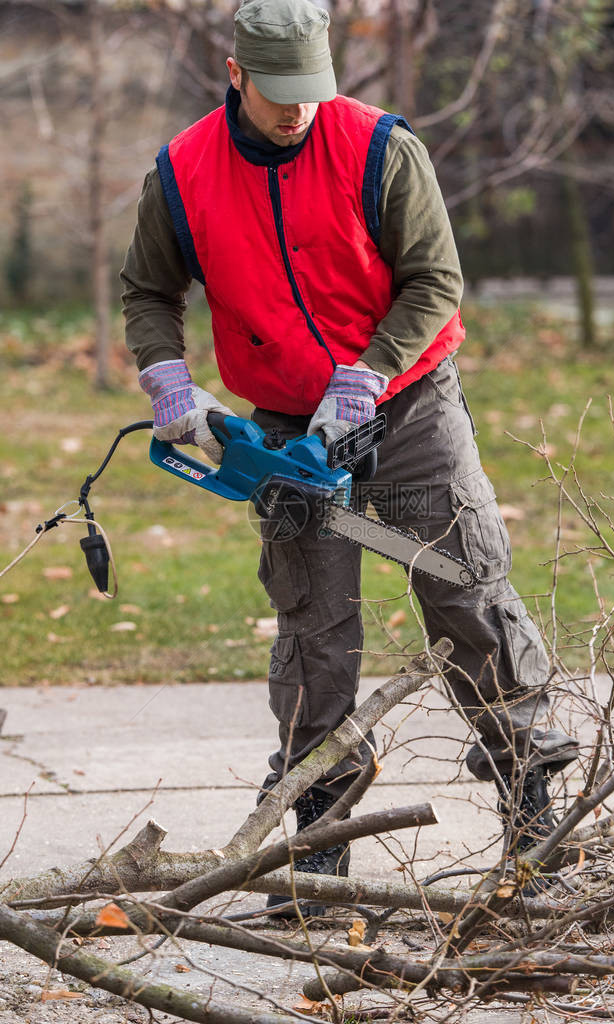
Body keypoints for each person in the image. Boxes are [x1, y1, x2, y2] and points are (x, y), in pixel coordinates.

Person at [122, 0, 578, 914]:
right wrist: (168, 380)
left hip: (406, 405)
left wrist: (366, 376)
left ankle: (532, 794)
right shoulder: (182, 171)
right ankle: (318, 820)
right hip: (287, 428)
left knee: (465, 585)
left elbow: (435, 279)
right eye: (278, 94)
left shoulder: (378, 149)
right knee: (313, 630)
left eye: (311, 93)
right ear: (236, 71)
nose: (298, 113)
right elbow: (148, 289)